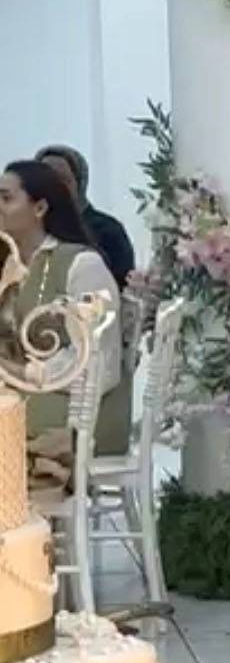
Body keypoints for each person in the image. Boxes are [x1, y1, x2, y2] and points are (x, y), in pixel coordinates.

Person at [0, 161, 126, 453]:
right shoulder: (8, 262)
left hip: (70, 410)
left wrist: (20, 372)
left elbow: (98, 361)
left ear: (40, 208)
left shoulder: (81, 264)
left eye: (6, 198)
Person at [37, 143, 136, 288]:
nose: (52, 186)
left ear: (79, 184)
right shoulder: (25, 230)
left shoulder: (108, 230)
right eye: (45, 179)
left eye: (62, 179)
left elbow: (123, 287)